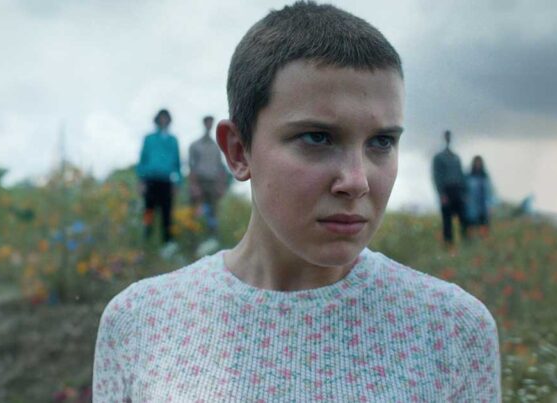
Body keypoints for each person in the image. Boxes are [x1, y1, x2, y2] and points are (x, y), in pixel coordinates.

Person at [94, 2, 500, 401]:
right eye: (317, 138)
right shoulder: (139, 323)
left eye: (381, 142)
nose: (356, 182)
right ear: (238, 151)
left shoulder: (453, 330)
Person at [136, 109, 181, 246]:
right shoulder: (149, 138)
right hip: (150, 180)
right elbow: (142, 159)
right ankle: (146, 238)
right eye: (161, 117)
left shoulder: (173, 140)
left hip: (166, 182)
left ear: (169, 120)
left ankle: (168, 243)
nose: (163, 120)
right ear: (157, 119)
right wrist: (141, 180)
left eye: (166, 117)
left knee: (167, 213)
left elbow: (177, 163)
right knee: (148, 210)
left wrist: (177, 182)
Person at [188, 115, 230, 235]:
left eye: (211, 123)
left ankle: (211, 239)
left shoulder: (216, 147)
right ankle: (193, 239)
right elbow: (191, 167)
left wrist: (221, 185)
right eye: (207, 122)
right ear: (204, 124)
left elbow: (220, 167)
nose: (209, 125)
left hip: (212, 183)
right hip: (199, 181)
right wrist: (194, 185)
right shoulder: (195, 145)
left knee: (212, 212)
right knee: (196, 212)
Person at [432, 130, 468, 245]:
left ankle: (466, 241)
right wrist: (442, 194)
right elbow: (437, 176)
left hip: (458, 191)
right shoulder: (439, 157)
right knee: (447, 220)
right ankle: (448, 243)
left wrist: (464, 193)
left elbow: (461, 175)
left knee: (463, 217)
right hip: (447, 191)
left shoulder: (456, 157)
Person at [465, 155, 495, 238]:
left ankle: (483, 240)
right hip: (471, 207)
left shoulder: (485, 176)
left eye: (479, 163)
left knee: (484, 224)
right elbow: (465, 191)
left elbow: (490, 193)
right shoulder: (468, 176)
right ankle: (471, 240)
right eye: (476, 163)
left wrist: (490, 206)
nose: (478, 165)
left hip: (483, 206)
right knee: (471, 225)